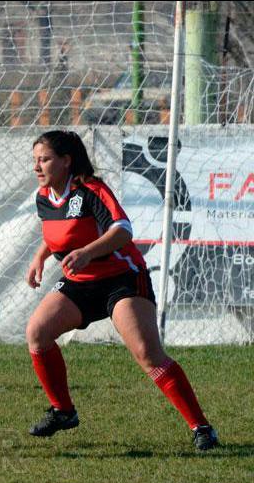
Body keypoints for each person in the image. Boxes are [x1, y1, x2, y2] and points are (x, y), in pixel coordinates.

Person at [25, 130, 218, 451]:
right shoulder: (44, 196)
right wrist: (39, 256)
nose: (37, 166)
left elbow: (122, 229)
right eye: (35, 160)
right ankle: (63, 411)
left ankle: (202, 427)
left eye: (44, 159)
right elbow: (59, 232)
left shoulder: (91, 190)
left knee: (147, 354)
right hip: (81, 282)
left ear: (66, 161)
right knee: (37, 332)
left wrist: (87, 252)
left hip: (121, 278)